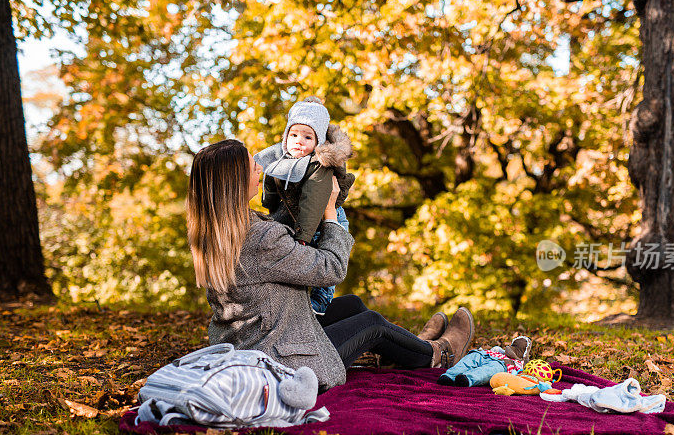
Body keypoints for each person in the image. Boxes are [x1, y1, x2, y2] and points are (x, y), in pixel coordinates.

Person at [186, 139, 474, 391]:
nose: (260, 169)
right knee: (372, 324)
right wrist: (328, 212)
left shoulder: (217, 231)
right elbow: (331, 268)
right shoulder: (259, 238)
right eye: (252, 168)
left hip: (253, 339)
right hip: (281, 362)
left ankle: (408, 347)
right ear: (234, 182)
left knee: (352, 307)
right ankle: (438, 353)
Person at [254, 97, 354, 315]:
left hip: (326, 218)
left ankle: (322, 299)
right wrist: (269, 205)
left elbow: (314, 200)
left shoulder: (320, 165)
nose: (299, 141)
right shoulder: (282, 157)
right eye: (294, 135)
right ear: (286, 136)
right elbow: (271, 181)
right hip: (298, 217)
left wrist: (304, 236)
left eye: (307, 137)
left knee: (325, 262)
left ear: (318, 142)